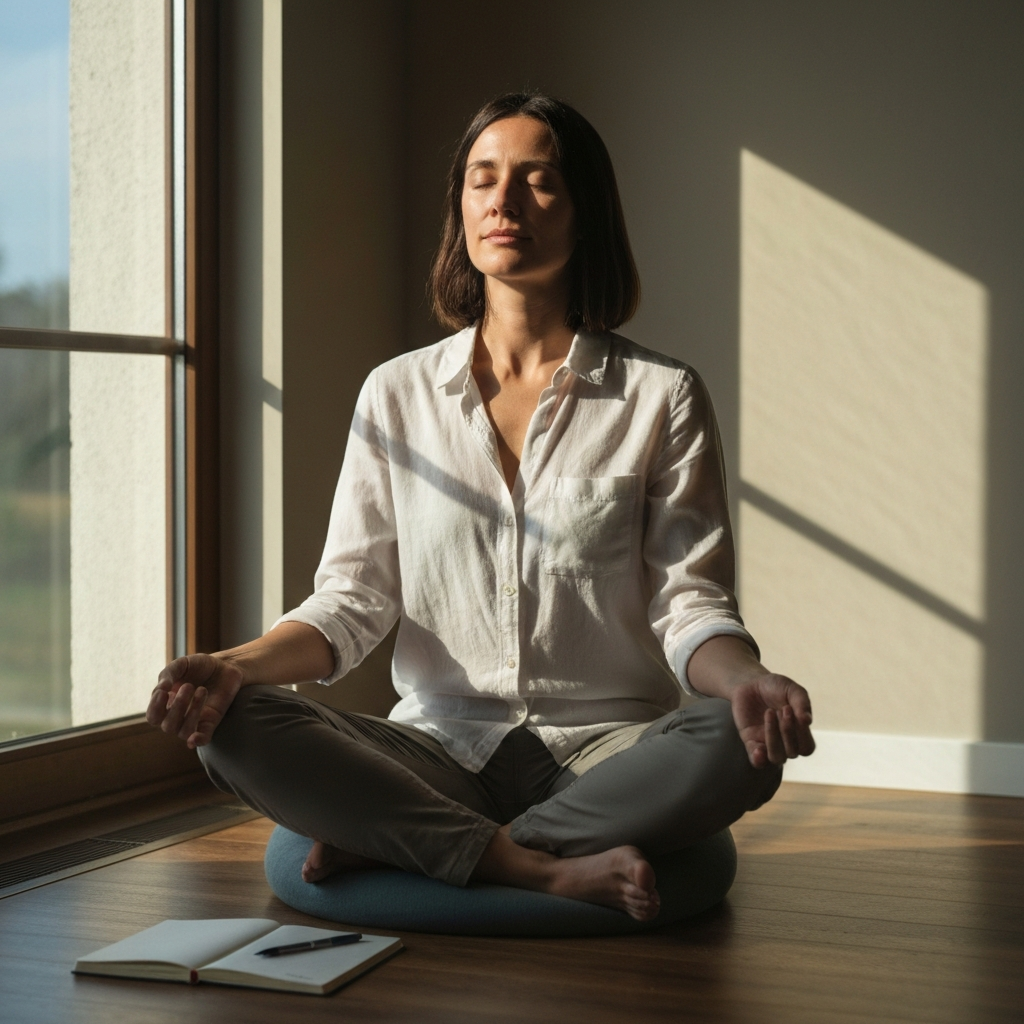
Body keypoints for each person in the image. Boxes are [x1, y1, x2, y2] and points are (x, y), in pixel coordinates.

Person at [147, 93, 814, 923]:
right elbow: (351, 603)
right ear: (461, 207)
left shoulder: (661, 395)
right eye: (482, 179)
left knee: (737, 748)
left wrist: (748, 677)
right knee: (234, 726)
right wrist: (234, 667)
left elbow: (691, 604)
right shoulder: (396, 394)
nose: (503, 202)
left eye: (538, 182)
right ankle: (530, 864)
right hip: (436, 748)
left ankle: (407, 841)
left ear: (584, 214)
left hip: (607, 752)